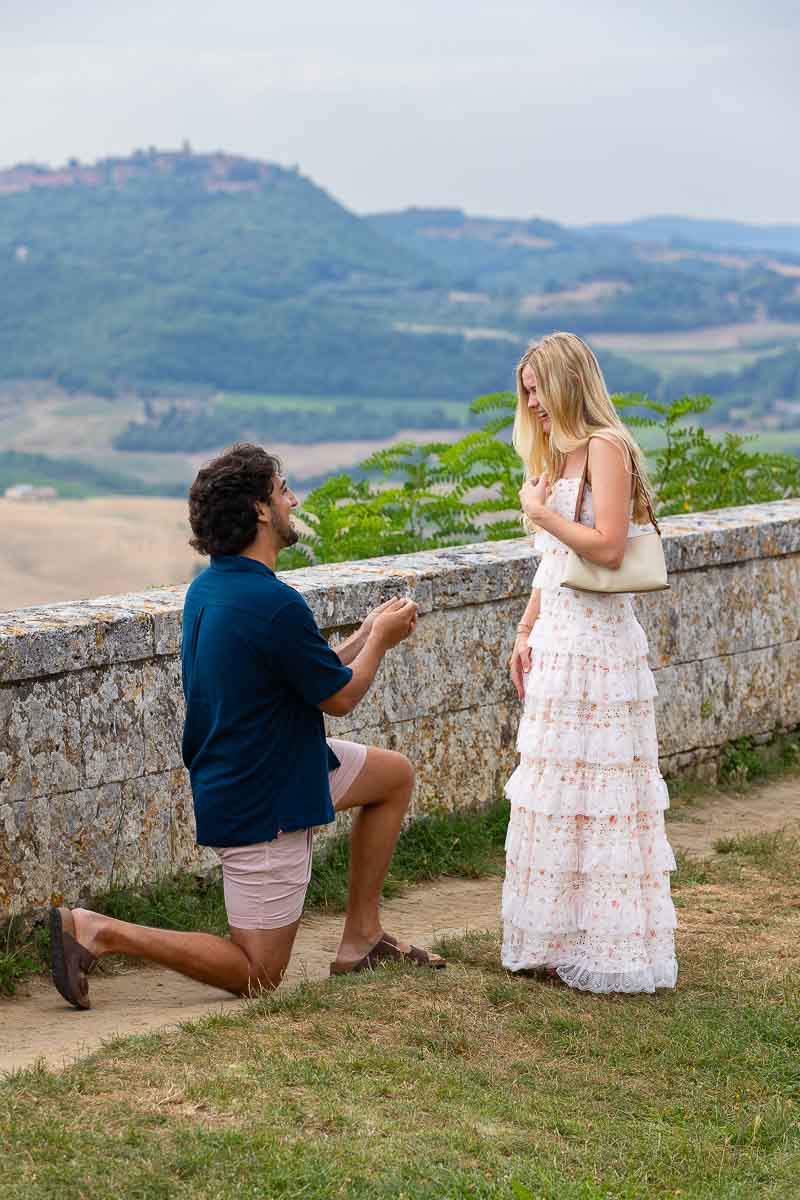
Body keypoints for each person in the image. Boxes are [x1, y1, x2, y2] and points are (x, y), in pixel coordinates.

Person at [49, 443, 444, 1010]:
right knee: (259, 973)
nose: (293, 500)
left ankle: (361, 940)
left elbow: (315, 672)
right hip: (266, 799)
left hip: (275, 765)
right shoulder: (272, 603)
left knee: (392, 776)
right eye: (283, 489)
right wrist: (381, 640)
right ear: (261, 510)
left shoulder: (213, 587)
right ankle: (98, 931)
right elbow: (340, 697)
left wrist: (364, 630)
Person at [503, 332, 677, 993]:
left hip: (600, 651)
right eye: (525, 392)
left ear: (568, 381)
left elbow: (605, 549)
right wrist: (525, 629)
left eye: (537, 387)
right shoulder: (562, 455)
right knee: (558, 796)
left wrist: (539, 511)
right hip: (560, 644)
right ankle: (557, 936)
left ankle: (607, 944)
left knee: (600, 798)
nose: (532, 403)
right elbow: (557, 565)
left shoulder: (605, 448)